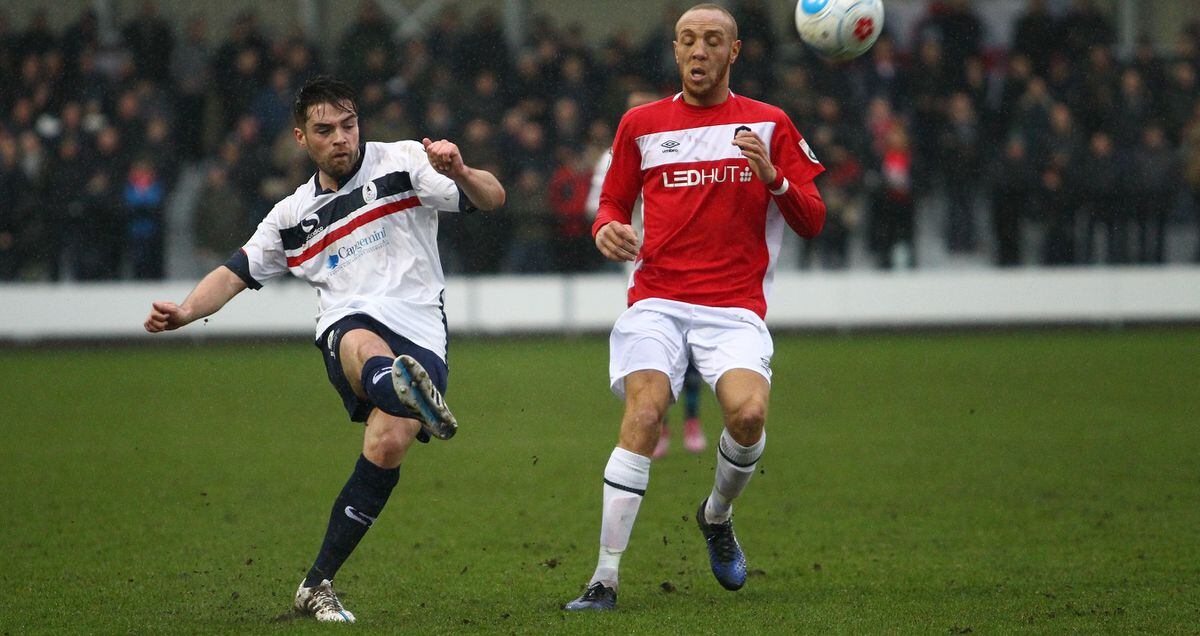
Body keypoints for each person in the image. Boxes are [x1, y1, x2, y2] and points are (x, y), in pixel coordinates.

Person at [142, 76, 504, 623]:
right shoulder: (291, 217)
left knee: (387, 444)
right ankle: (400, 387)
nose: (341, 138)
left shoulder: (406, 161)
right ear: (301, 137)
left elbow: (493, 198)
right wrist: (187, 311)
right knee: (361, 341)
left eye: (349, 125)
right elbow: (236, 271)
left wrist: (462, 172)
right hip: (349, 325)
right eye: (325, 129)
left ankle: (316, 584)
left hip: (422, 328)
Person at [563, 4, 825, 611]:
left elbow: (812, 219)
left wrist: (776, 179)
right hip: (656, 301)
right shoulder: (641, 124)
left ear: (735, 53)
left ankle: (716, 515)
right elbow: (611, 205)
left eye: (712, 41)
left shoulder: (771, 125)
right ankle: (604, 579)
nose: (698, 51)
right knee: (646, 409)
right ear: (676, 51)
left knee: (749, 416)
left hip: (734, 308)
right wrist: (606, 230)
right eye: (687, 41)